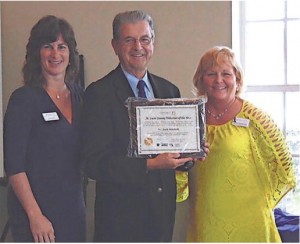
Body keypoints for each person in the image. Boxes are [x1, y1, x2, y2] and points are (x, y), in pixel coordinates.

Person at [81, 10, 207, 242]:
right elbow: (95, 164)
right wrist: (150, 164)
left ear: (153, 43)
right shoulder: (99, 94)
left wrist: (189, 153)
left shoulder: (169, 91)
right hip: (120, 222)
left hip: (161, 218)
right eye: (129, 40)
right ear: (115, 45)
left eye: (144, 39)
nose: (138, 46)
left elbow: (174, 156)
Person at [184, 46, 296, 242]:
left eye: (226, 73)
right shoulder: (189, 117)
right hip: (207, 215)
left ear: (237, 79)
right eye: (211, 74)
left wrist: (266, 201)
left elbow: (283, 164)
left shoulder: (254, 117)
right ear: (201, 79)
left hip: (251, 216)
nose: (219, 80)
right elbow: (178, 164)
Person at [4, 15, 86, 242]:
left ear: (70, 54)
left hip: (73, 209)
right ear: (36, 53)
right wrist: (35, 215)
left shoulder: (80, 96)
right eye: (47, 46)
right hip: (35, 215)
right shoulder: (23, 99)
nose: (55, 54)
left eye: (62, 46)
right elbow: (15, 166)